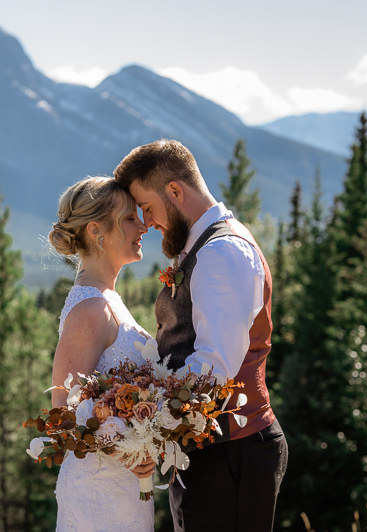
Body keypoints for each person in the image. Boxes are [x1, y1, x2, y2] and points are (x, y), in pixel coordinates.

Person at [114, 139, 288, 532]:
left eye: (148, 207)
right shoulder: (204, 247)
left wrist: (145, 426)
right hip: (211, 453)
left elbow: (213, 369)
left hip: (232, 455)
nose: (147, 222)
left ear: (175, 191)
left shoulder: (221, 253)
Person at [47, 175, 155, 532]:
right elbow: (63, 413)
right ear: (96, 231)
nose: (143, 227)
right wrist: (123, 449)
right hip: (99, 495)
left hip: (123, 486)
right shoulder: (92, 310)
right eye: (130, 218)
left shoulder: (108, 299)